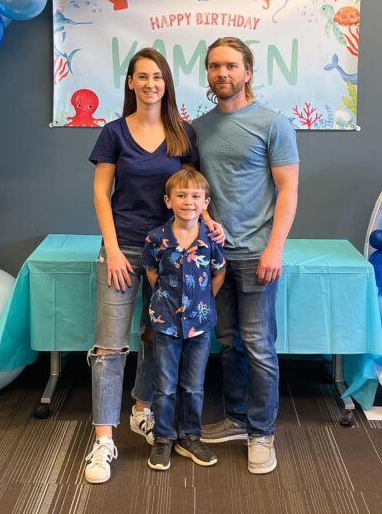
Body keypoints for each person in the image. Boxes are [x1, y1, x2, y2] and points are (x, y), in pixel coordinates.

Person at [83, 48, 199, 484]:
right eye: (142, 76)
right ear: (130, 83)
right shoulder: (114, 133)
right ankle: (103, 441)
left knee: (157, 337)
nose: (151, 83)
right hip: (124, 248)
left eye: (158, 76)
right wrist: (112, 249)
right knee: (110, 347)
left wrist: (208, 224)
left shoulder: (183, 134)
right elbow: (100, 193)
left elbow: (191, 191)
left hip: (169, 253)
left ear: (167, 84)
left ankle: (143, 409)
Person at [194, 38, 299, 474]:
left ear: (247, 71)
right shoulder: (197, 128)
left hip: (258, 255)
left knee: (258, 345)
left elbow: (288, 189)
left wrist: (275, 247)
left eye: (231, 66)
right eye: (215, 66)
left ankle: (262, 433)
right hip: (214, 256)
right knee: (229, 343)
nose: (223, 73)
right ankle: (236, 418)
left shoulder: (273, 125)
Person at [142, 168, 226, 472]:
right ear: (168, 201)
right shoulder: (156, 239)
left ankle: (190, 436)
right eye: (181, 195)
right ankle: (164, 437)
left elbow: (219, 271)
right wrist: (164, 299)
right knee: (165, 385)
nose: (188, 201)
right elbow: (151, 272)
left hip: (200, 325)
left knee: (193, 385)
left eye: (194, 196)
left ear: (205, 203)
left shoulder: (211, 240)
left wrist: (204, 300)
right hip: (165, 323)